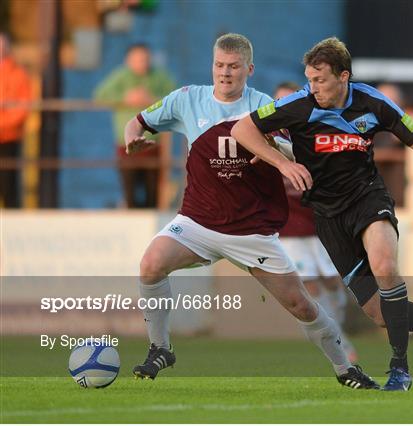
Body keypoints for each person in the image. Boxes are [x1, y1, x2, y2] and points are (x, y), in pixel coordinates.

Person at [231, 37, 413, 391]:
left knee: (386, 267)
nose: (313, 87)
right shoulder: (298, 104)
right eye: (309, 79)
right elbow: (242, 129)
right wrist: (281, 163)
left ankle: (400, 368)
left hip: (368, 199)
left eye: (320, 80)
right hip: (328, 215)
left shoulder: (372, 101)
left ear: (344, 77)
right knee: (380, 315)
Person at [123, 33, 378, 390]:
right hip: (198, 221)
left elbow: (298, 152)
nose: (225, 73)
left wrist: (278, 149)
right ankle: (160, 348)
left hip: (251, 231)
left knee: (301, 305)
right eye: (219, 65)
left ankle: (346, 369)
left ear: (249, 69)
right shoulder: (187, 99)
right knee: (151, 264)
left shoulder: (268, 107)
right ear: (212, 65)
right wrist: (131, 137)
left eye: (233, 67)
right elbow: (138, 121)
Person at [274, 81, 358, 363]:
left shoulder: (316, 133)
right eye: (278, 102)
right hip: (288, 228)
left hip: (320, 223)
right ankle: (340, 343)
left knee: (334, 282)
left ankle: (338, 326)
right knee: (308, 286)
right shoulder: (264, 138)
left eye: (289, 101)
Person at [95, 43, 175, 208]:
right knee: (130, 190)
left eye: (145, 59)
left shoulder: (158, 76)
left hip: (154, 144)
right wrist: (125, 98)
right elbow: (100, 96)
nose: (142, 63)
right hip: (127, 144)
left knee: (153, 192)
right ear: (128, 61)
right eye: (137, 59)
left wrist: (152, 99)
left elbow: (176, 97)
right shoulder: (120, 77)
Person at [0, 33, 32, 208]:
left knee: (9, 187)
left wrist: (3, 123)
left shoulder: (18, 74)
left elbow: (23, 107)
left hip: (8, 138)